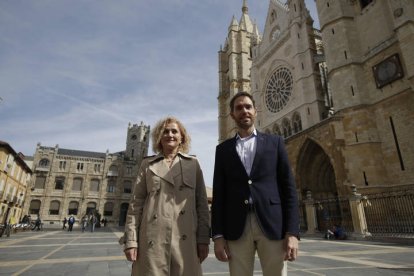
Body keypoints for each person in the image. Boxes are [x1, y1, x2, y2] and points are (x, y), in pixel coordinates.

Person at [211, 92, 300, 276]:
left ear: (255, 111)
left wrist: (292, 232)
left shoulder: (275, 143)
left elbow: (289, 189)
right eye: (239, 108)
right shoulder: (223, 150)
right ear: (232, 115)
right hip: (236, 226)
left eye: (248, 107)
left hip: (272, 224)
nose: (244, 111)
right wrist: (218, 236)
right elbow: (219, 196)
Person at [121, 116, 210, 276]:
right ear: (159, 137)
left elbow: (202, 205)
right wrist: (131, 241)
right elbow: (135, 206)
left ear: (181, 136)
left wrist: (203, 239)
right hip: (152, 241)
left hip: (185, 241)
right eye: (165, 132)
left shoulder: (193, 164)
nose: (170, 135)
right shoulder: (147, 165)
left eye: (174, 131)